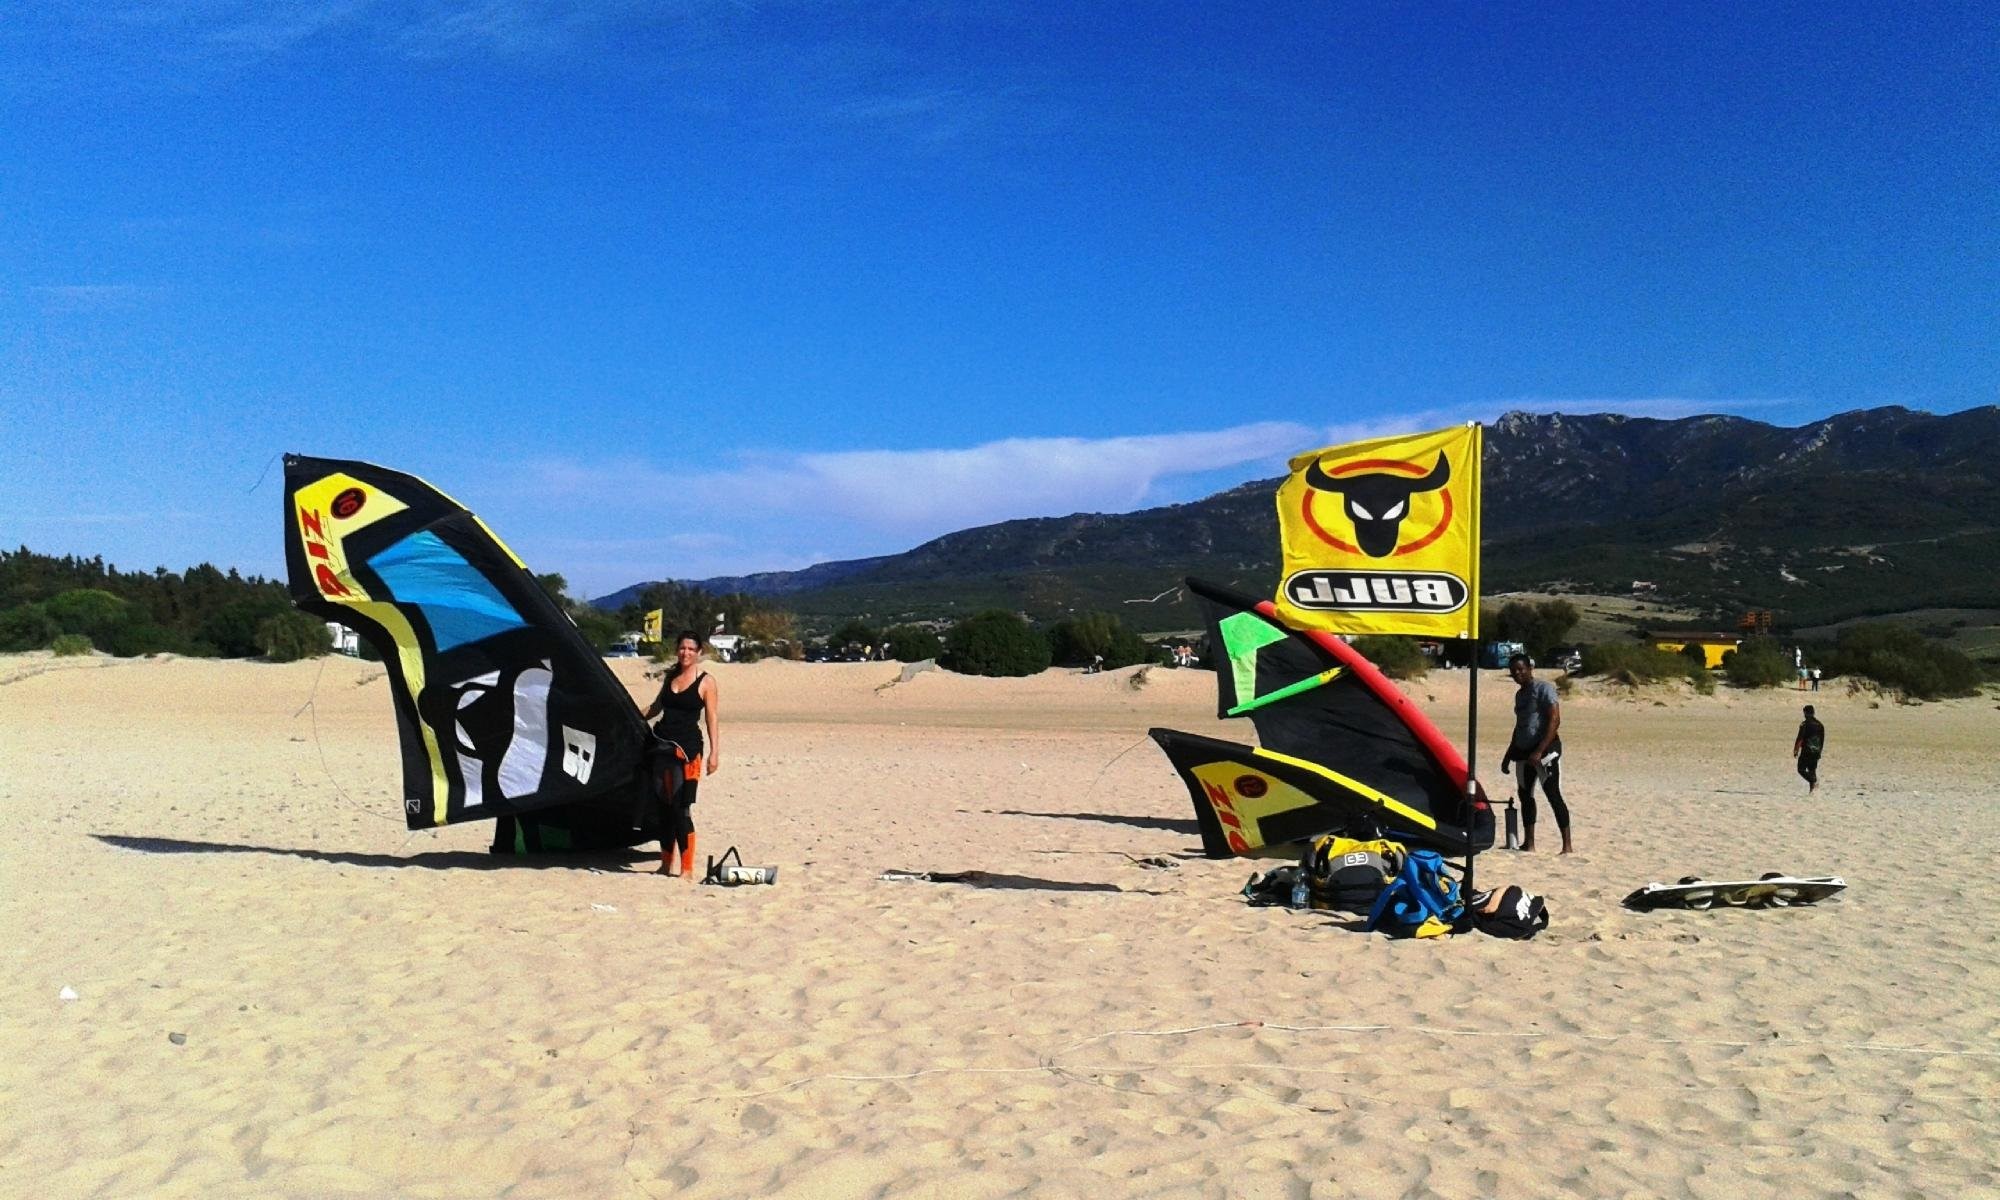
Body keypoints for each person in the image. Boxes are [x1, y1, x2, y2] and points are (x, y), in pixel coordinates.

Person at [639, 630, 721, 876]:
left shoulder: (706, 681)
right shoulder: (670, 676)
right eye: (682, 648)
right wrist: (630, 713)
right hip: (662, 747)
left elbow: (711, 718)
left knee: (681, 808)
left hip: (687, 751)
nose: (685, 653)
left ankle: (686, 869)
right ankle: (665, 864)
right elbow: (655, 708)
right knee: (663, 808)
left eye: (691, 649)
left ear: (699, 653)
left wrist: (715, 753)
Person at [1500, 653, 1572, 854]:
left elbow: (1554, 720)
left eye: (1521, 669)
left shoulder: (1544, 689)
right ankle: (1529, 843)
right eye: (1514, 671)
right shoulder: (1520, 695)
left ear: (1530, 668)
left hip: (1545, 753)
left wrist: (1540, 750)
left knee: (1553, 795)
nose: (1517, 674)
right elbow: (1520, 726)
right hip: (1523, 752)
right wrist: (1508, 755)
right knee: (1525, 796)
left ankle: (1567, 846)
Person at [1793, 704, 1824, 793]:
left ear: (1805, 713)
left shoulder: (1805, 724)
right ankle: (1812, 790)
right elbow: (1822, 740)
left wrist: (1796, 749)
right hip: (1816, 750)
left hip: (1807, 750)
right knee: (1812, 769)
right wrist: (1819, 751)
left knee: (1801, 769)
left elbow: (1800, 738)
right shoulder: (1820, 725)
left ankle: (1813, 781)